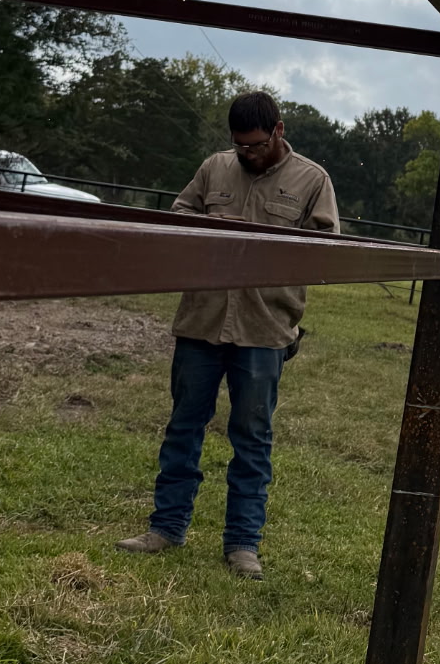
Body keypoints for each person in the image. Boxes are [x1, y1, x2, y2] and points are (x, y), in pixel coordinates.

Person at [116, 91, 338, 578]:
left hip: (264, 329)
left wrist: (266, 244)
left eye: (256, 144)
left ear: (278, 130)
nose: (247, 153)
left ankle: (242, 544)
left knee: (252, 438)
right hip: (202, 320)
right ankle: (166, 527)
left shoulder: (313, 180)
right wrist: (212, 225)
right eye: (240, 145)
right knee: (183, 427)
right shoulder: (214, 168)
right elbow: (178, 220)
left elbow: (324, 251)